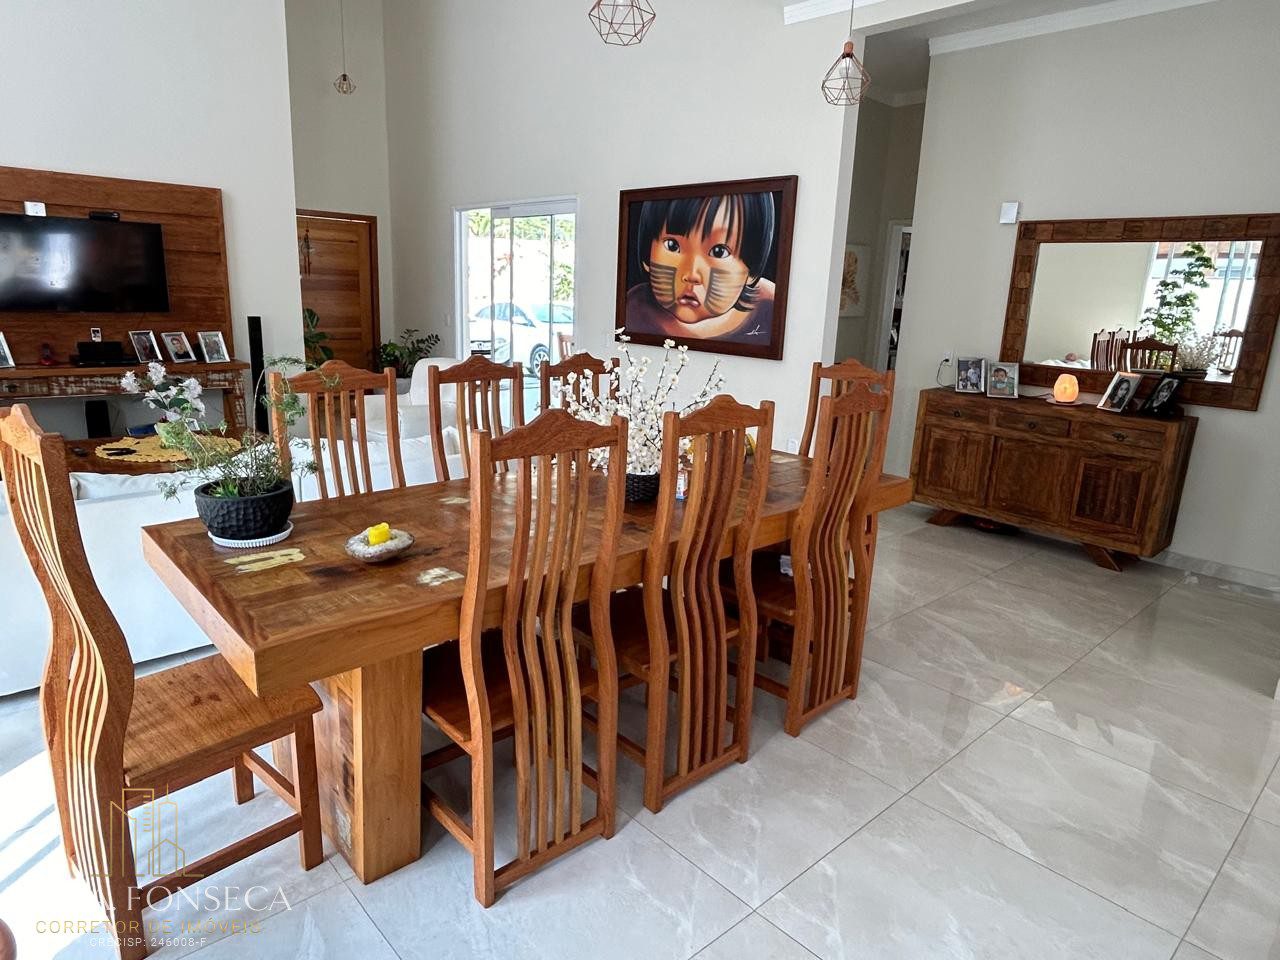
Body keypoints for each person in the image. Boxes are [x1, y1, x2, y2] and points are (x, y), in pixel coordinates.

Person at [624, 192, 776, 344]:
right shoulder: (633, 310)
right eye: (672, 245)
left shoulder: (770, 307)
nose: (692, 274)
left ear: (752, 270)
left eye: (719, 251)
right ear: (648, 254)